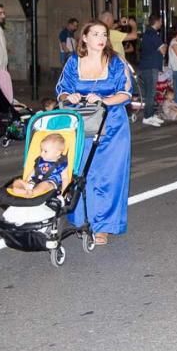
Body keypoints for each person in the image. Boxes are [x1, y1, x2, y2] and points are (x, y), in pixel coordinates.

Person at [56, 21, 133, 245]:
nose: (101, 38)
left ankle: (103, 226)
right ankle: (82, 220)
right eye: (96, 34)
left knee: (109, 176)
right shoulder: (73, 62)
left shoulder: (116, 62)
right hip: (82, 125)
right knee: (81, 173)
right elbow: (61, 90)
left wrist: (104, 100)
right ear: (85, 38)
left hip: (112, 125)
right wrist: (66, 98)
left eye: (104, 34)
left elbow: (125, 93)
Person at [138, 15, 166, 126]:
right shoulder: (153, 34)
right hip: (150, 67)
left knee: (151, 92)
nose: (161, 24)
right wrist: (165, 45)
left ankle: (151, 114)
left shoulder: (148, 33)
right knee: (151, 92)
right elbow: (163, 50)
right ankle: (147, 117)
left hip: (147, 66)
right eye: (160, 21)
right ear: (157, 21)